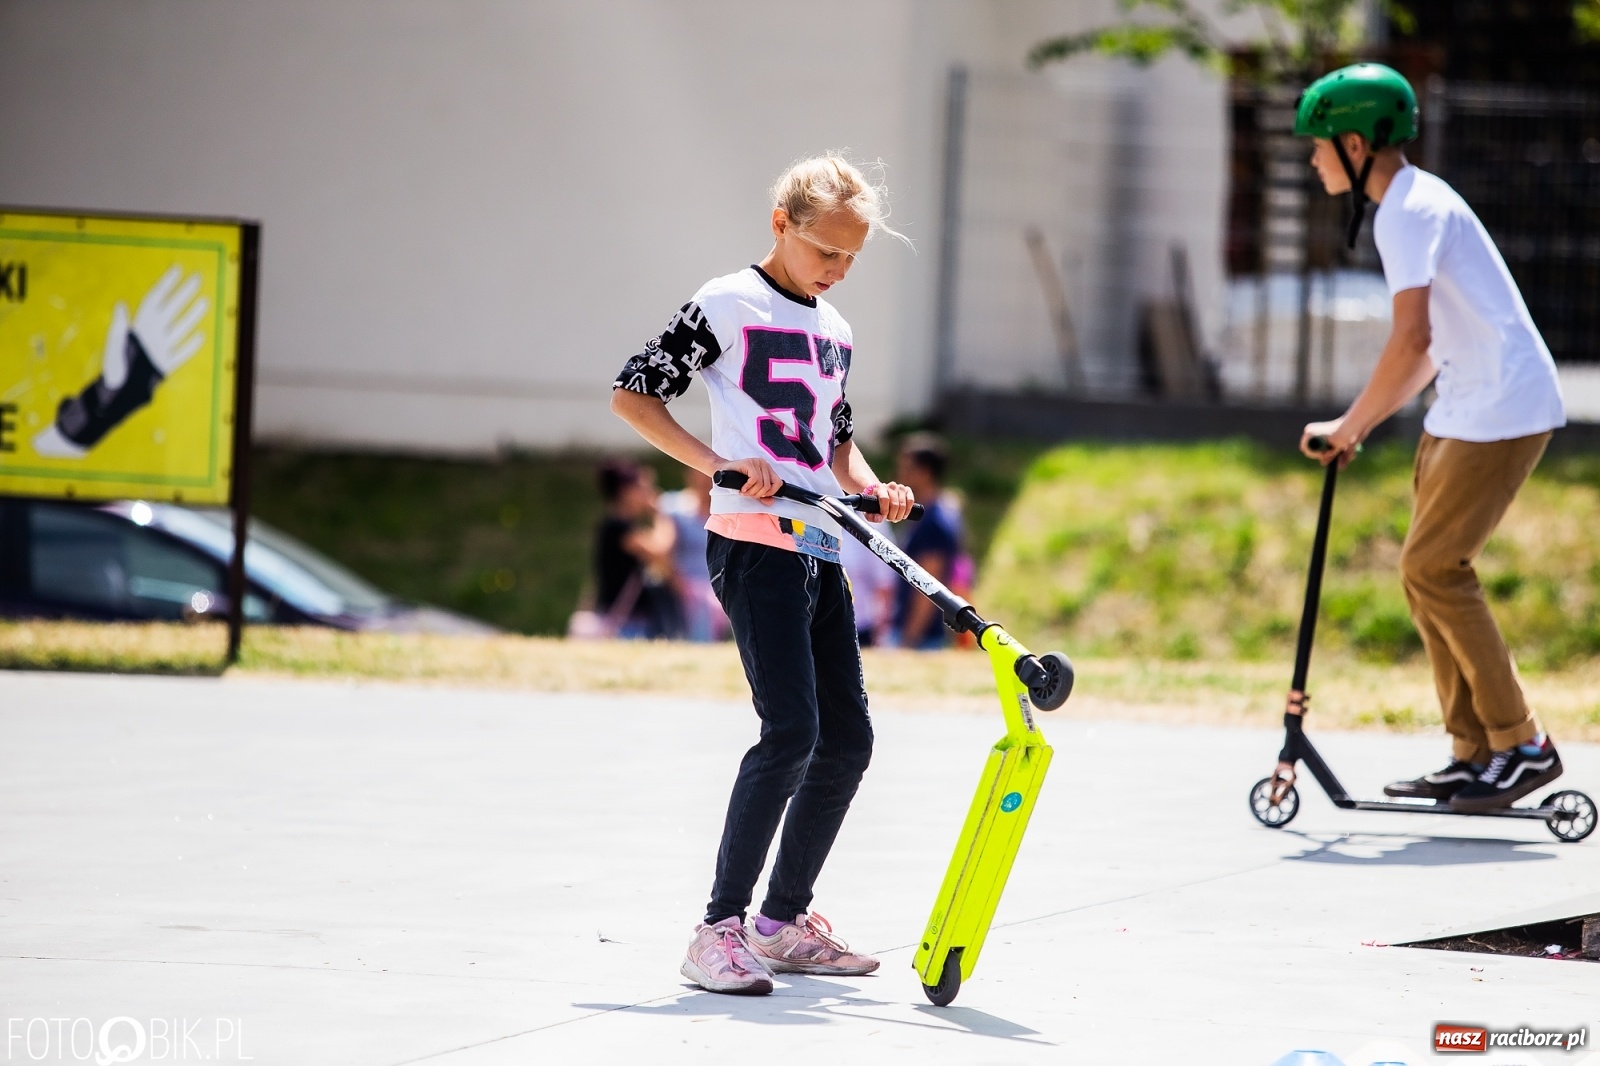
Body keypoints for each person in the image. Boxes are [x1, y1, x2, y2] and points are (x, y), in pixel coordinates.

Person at [610, 154, 913, 995]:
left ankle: (782, 923)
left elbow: (835, 442)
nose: (839, 269)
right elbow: (634, 396)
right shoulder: (724, 303)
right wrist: (717, 464)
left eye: (853, 257)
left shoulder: (838, 330)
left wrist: (871, 487)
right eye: (828, 252)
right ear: (781, 225)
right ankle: (717, 931)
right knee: (790, 731)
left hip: (820, 546)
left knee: (845, 739)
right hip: (752, 540)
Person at [1293, 63, 1566, 812]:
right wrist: (1360, 428)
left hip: (1501, 408)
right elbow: (1429, 346)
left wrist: (1351, 424)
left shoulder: (1406, 212)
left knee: (1436, 568)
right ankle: (1476, 752)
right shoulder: (1413, 205)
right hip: (1468, 406)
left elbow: (1410, 339)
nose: (1312, 160)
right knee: (1426, 574)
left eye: (1318, 146)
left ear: (1354, 143)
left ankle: (1522, 746)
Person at [592, 459, 682, 640]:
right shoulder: (618, 528)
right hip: (627, 621)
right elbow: (661, 549)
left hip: (627, 616)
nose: (649, 493)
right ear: (626, 492)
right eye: (644, 487)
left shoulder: (621, 526)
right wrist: (660, 513)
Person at [890, 433, 964, 650]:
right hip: (918, 634)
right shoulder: (929, 514)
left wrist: (909, 640)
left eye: (906, 469)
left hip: (923, 639)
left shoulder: (935, 521)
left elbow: (928, 587)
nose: (899, 476)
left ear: (924, 473)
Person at [659, 467, 728, 642]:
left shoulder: (725, 511)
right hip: (685, 587)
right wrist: (679, 583)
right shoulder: (673, 507)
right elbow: (664, 549)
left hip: (718, 587)